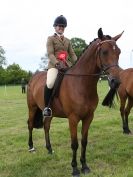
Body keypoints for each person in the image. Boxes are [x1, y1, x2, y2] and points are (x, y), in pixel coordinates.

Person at [43, 15, 77, 117]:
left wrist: (78, 63)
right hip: (55, 65)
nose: (61, 28)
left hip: (67, 65)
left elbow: (72, 54)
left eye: (63, 26)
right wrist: (57, 63)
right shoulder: (50, 39)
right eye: (59, 26)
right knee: (50, 83)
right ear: (55, 27)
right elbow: (50, 54)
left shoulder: (67, 40)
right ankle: (47, 107)